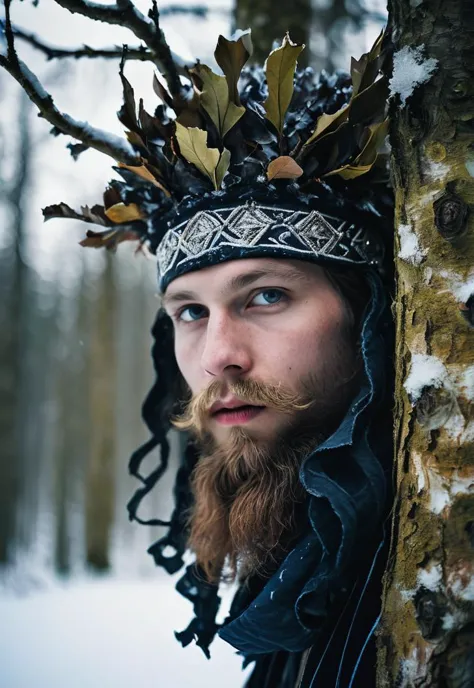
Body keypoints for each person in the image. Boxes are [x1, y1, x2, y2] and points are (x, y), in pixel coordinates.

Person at [47, 29, 395, 688]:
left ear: (367, 315)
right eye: (190, 312)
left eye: (266, 295)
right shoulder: (296, 564)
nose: (218, 359)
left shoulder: (433, 558)